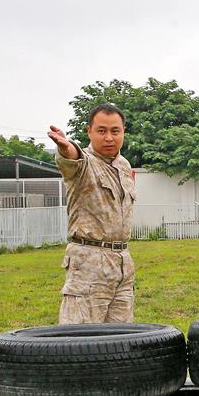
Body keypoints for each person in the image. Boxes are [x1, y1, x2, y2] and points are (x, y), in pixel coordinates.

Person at [47, 103, 137, 324]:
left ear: (123, 131)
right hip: (89, 264)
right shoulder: (84, 163)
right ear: (89, 131)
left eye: (115, 131)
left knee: (122, 342)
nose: (109, 138)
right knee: (80, 340)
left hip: (122, 263)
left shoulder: (124, 166)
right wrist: (65, 146)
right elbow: (71, 158)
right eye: (101, 130)